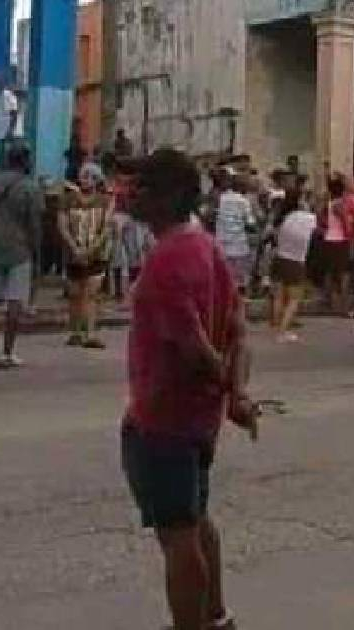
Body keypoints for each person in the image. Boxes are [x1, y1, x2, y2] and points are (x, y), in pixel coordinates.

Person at [120, 148, 254, 630]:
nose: (134, 194)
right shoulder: (206, 248)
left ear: (171, 195)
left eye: (146, 187)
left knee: (177, 534)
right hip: (198, 421)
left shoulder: (167, 261)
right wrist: (234, 394)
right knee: (195, 520)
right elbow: (238, 326)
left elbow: (195, 348)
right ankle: (216, 617)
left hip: (165, 420)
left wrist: (227, 386)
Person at [0, 146, 43, 369]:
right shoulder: (29, 187)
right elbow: (34, 223)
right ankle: (7, 352)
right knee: (15, 301)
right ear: (26, 161)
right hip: (19, 249)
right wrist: (36, 248)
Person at [58, 163, 113, 349]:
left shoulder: (105, 200)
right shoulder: (68, 199)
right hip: (73, 252)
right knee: (74, 293)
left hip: (97, 254)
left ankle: (90, 333)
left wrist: (91, 249)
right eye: (83, 175)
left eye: (90, 176)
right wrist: (75, 248)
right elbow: (62, 226)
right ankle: (75, 331)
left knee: (91, 293)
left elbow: (106, 228)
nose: (85, 179)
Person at [269, 186, 316, 343]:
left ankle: (277, 327)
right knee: (294, 299)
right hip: (296, 261)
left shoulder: (283, 217)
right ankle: (282, 332)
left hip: (280, 257)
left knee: (279, 296)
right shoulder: (308, 218)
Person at [311, 174, 354, 316]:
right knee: (344, 274)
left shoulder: (329, 203)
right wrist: (351, 238)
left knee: (330, 273)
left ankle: (328, 302)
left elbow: (321, 221)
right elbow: (346, 224)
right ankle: (344, 307)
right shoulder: (339, 204)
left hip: (329, 239)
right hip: (340, 240)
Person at [213, 169, 257, 294]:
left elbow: (211, 215)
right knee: (238, 281)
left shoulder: (220, 198)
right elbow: (250, 224)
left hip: (221, 245)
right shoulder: (244, 202)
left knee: (222, 280)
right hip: (239, 247)